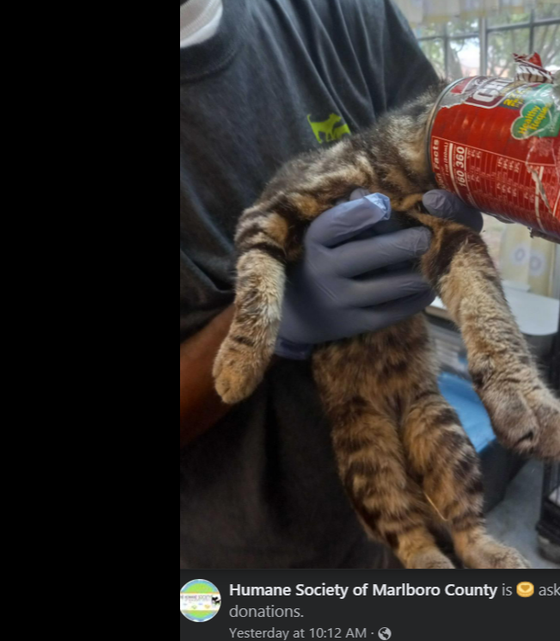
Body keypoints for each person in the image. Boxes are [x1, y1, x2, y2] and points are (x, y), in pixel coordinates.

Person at [180, 0, 485, 569]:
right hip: (241, 560)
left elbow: (445, 142)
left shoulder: (342, 14)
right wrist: (283, 316)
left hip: (397, 505)